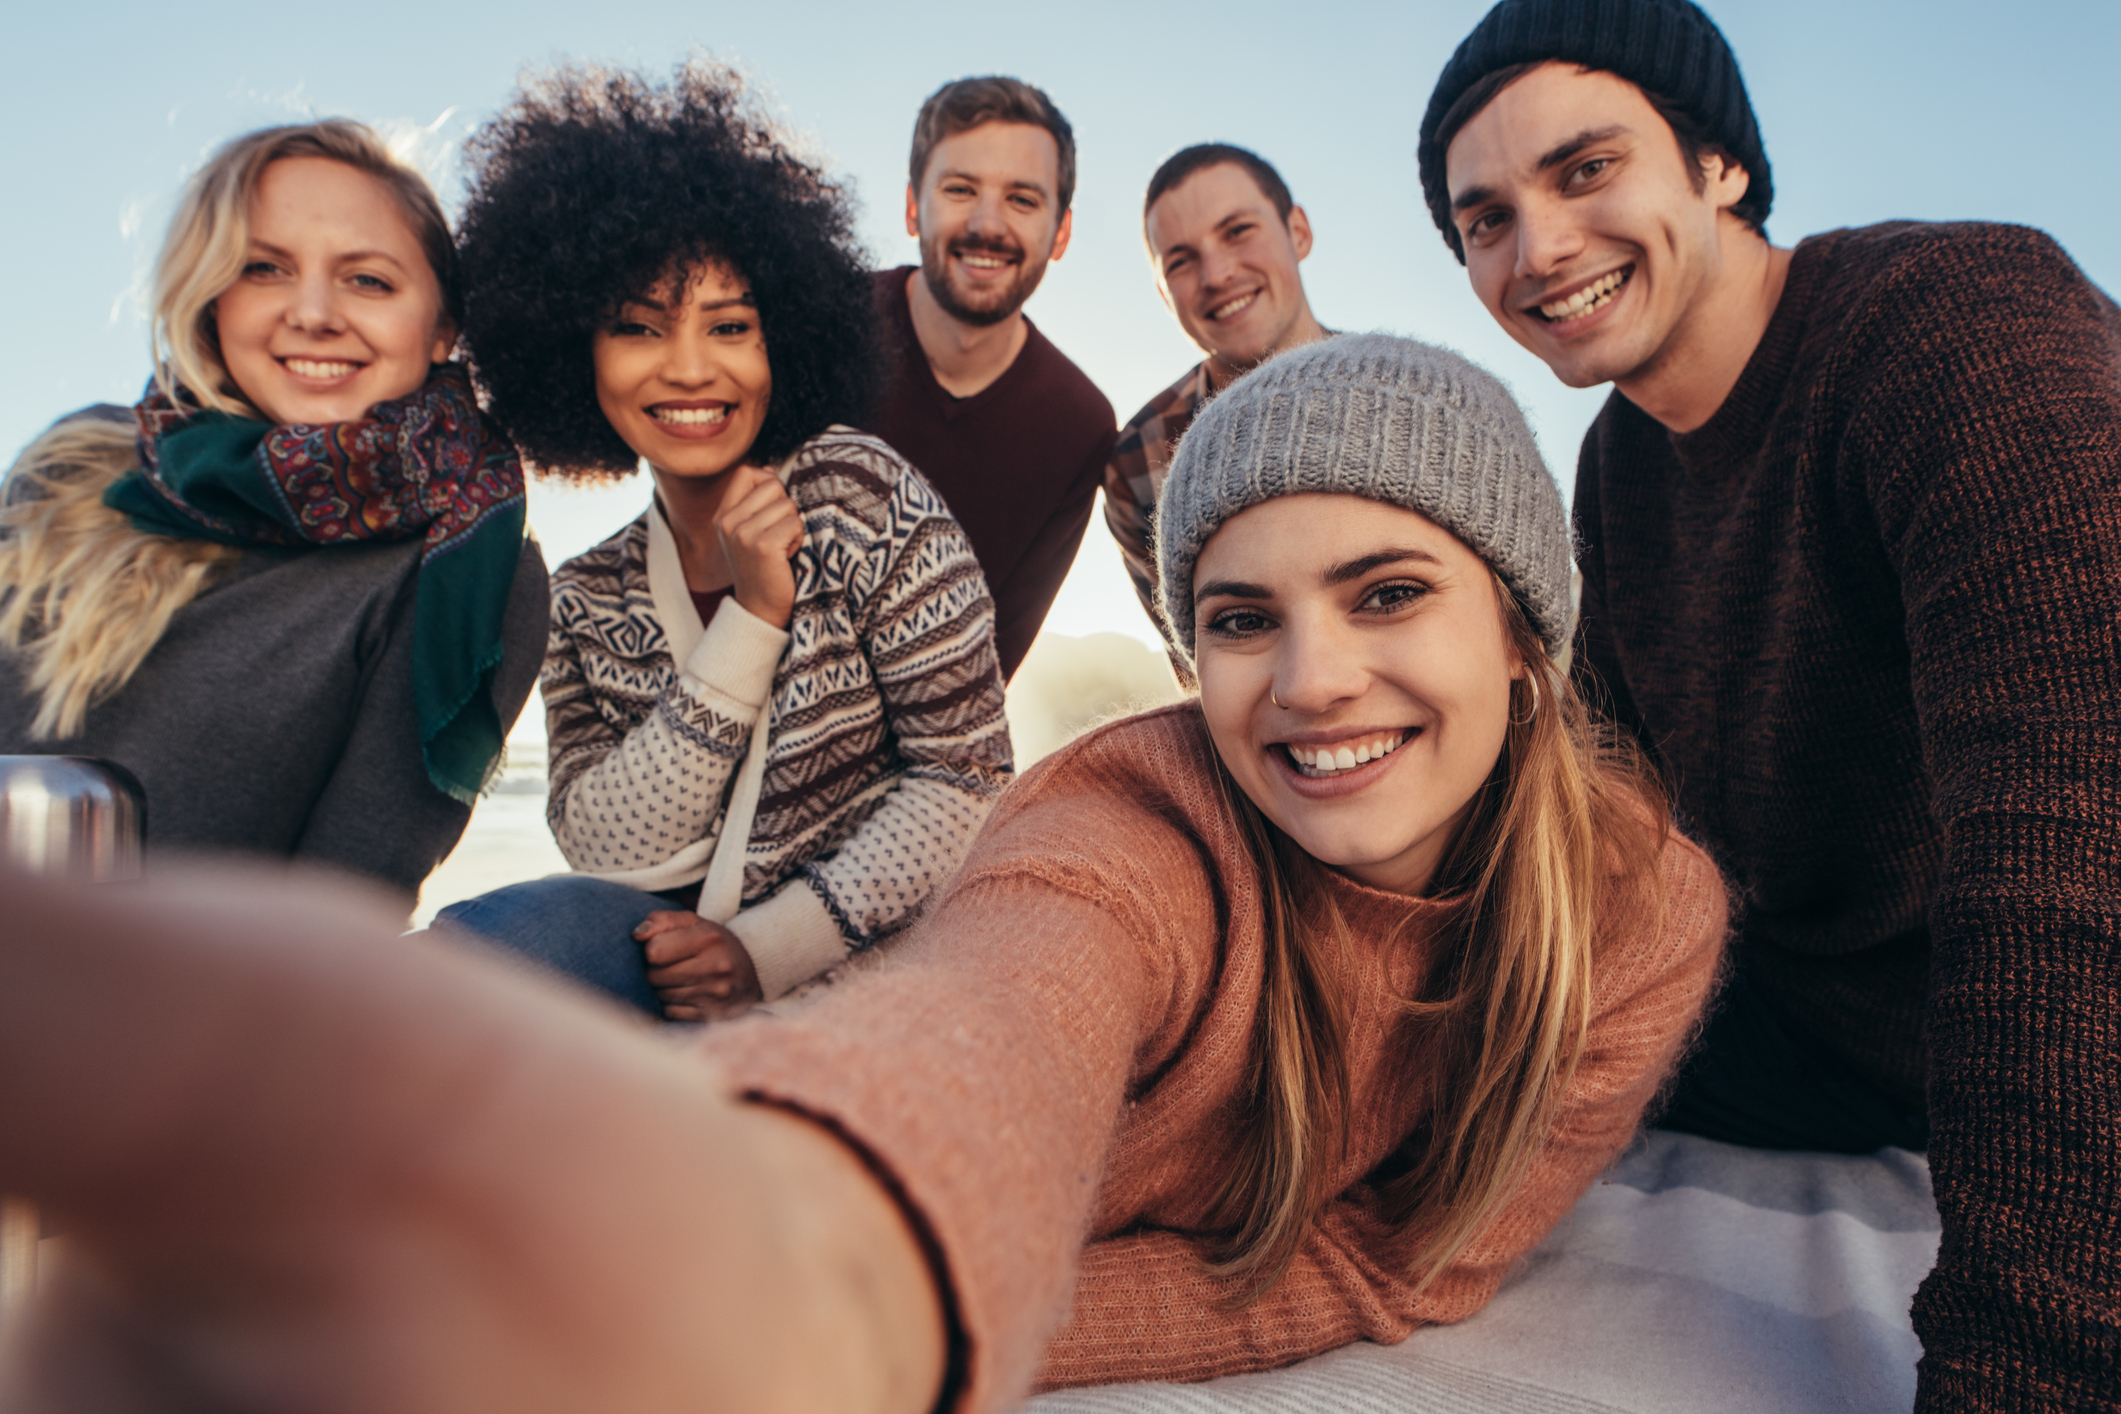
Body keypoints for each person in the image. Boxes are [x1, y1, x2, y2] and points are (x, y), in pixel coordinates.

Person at [0, 335, 1725, 1414]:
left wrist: (774, 958)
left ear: (1525, 629)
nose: (1315, 679)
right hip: (786, 1031)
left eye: (1390, 591)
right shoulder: (1136, 828)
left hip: (793, 962)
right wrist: (803, 1247)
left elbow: (1398, 1266)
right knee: (483, 968)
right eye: (1237, 618)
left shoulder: (1641, 917)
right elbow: (996, 999)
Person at [1418, 0, 2121, 1407]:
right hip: (1803, 1021)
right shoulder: (1615, 471)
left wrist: (2024, 1364)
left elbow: (2071, 833)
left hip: (2026, 1011)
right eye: (1482, 218)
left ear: (1718, 164)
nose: (1535, 248)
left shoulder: (1961, 326)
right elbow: (1613, 825)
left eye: (1583, 169)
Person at [436, 63, 1013, 1020]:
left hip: (879, 954)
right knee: (457, 960)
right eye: (639, 328)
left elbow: (965, 779)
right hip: (651, 951)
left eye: (730, 325)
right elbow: (604, 848)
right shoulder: (586, 592)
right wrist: (752, 618)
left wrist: (761, 951)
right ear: (577, 354)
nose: (691, 368)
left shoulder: (864, 497)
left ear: (778, 338)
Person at [0, 120, 546, 904]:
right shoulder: (78, 463)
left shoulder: (465, 561)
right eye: (264, 269)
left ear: (441, 329)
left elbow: (346, 912)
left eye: (369, 281)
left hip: (178, 1012)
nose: (314, 313)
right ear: (213, 300)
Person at [861, 76, 1115, 680]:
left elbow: (988, 665)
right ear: (911, 207)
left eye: (1022, 200)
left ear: (1061, 233)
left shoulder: (1078, 426)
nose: (987, 224)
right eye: (959, 189)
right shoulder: (819, 323)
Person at [1104, 143, 1330, 632]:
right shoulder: (1140, 458)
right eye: (1181, 261)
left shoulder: (1420, 401)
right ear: (1165, 295)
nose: (1218, 274)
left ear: (1298, 231)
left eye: (1238, 232)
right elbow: (1195, 670)